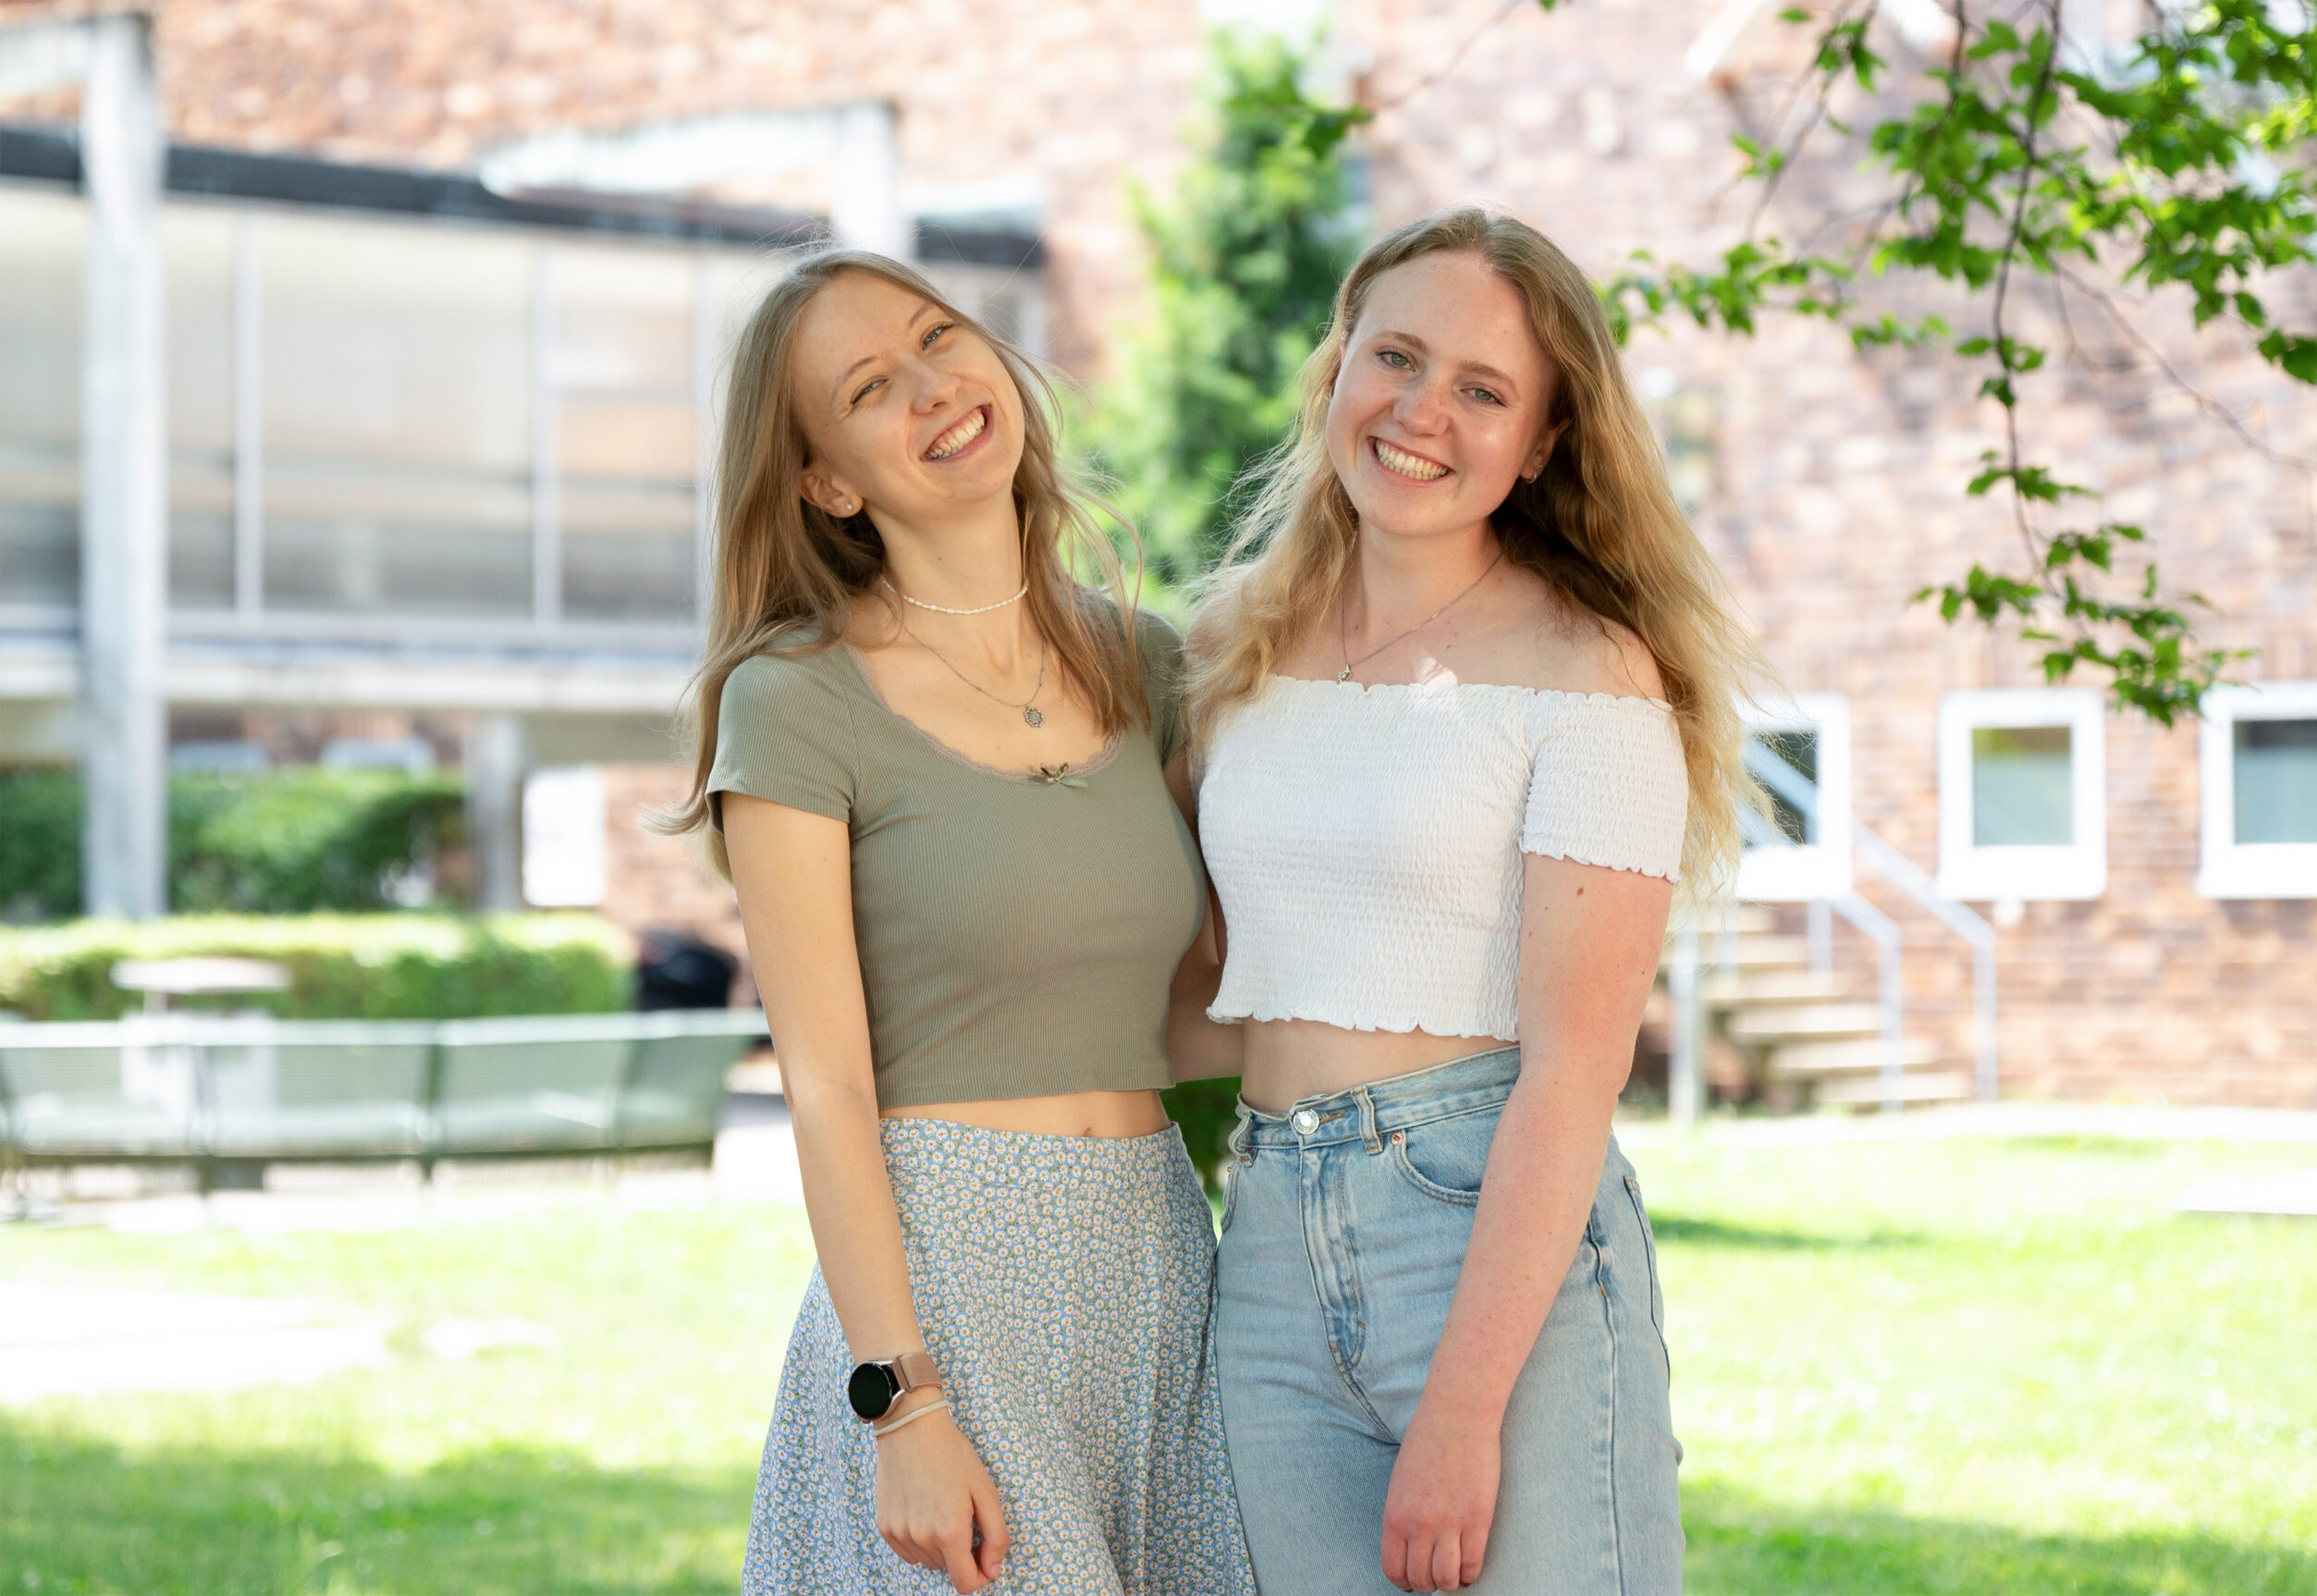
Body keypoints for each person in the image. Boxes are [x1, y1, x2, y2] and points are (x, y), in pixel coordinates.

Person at [1170, 207, 1764, 1594]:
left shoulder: (1592, 672)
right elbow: (1207, 985)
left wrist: (1462, 1409)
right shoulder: (1231, 643)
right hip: (1265, 1242)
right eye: (1396, 356)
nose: (1422, 411)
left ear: (1545, 442)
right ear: (1336, 372)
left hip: (1488, 1232)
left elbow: (1573, 1073)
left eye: (1484, 390)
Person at [659, 247, 1256, 1596]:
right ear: (826, 479)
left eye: (939, 339)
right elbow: (824, 1081)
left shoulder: (1146, 662)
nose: (935, 387)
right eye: (872, 387)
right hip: (946, 1277)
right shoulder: (796, 698)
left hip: (1158, 1260)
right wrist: (903, 1402)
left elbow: (1211, 996)